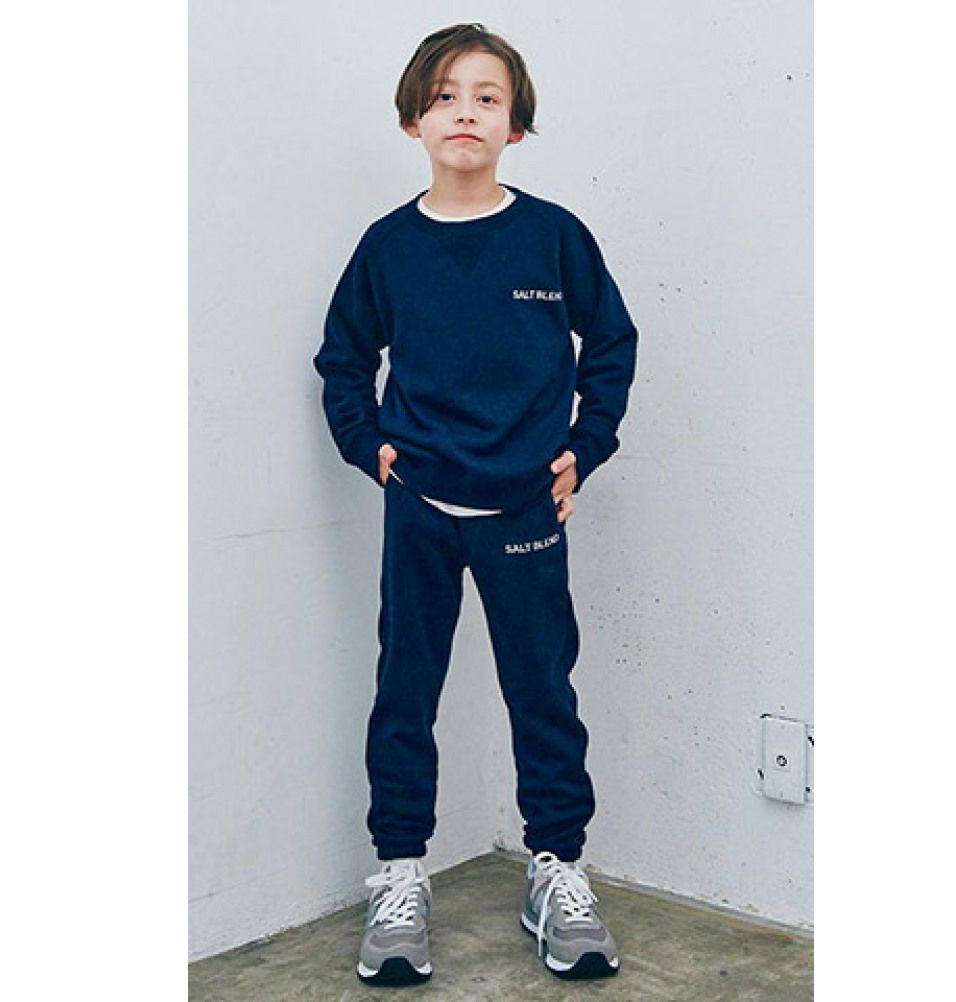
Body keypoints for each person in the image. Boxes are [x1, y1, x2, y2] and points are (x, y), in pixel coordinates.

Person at [313, 22, 638, 986]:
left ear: (516, 126)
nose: (466, 112)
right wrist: (368, 446)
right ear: (414, 120)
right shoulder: (388, 248)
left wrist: (585, 446)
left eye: (487, 98)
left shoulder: (554, 237)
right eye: (446, 96)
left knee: (543, 692)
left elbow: (612, 346)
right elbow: (342, 359)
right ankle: (399, 876)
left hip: (527, 513)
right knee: (404, 692)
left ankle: (557, 870)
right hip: (419, 505)